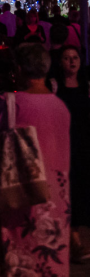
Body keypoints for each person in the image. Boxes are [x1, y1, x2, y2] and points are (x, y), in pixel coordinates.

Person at [0, 42, 71, 277]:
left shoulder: (11, 103)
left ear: (18, 69)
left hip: (19, 193)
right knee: (49, 261)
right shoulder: (60, 107)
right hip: (55, 198)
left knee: (17, 260)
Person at [50, 44, 90, 262]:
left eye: (75, 57)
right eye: (67, 58)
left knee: (82, 188)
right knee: (68, 189)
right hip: (63, 144)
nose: (72, 62)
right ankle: (74, 241)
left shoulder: (86, 85)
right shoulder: (55, 86)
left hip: (83, 144)